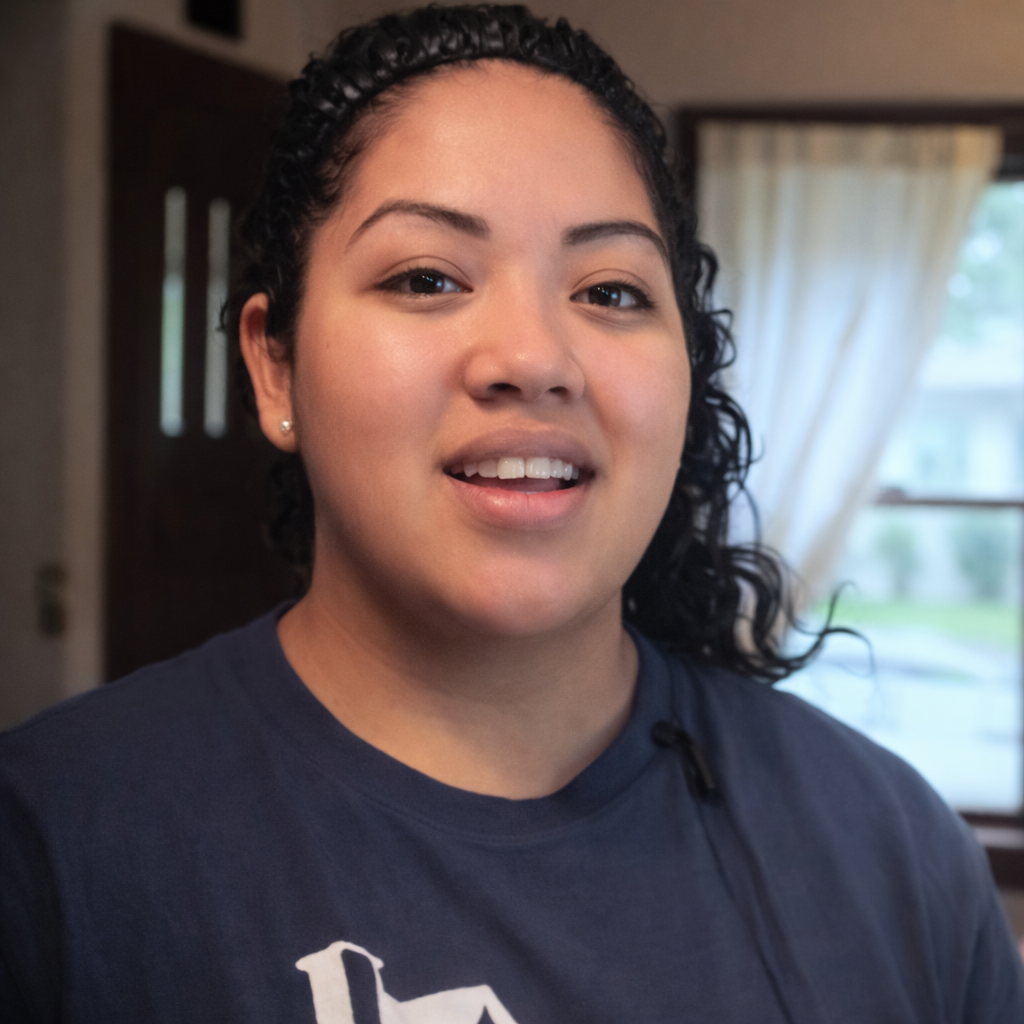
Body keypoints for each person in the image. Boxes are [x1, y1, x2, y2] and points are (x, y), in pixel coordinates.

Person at [2, 5, 1022, 1021]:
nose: (534, 358)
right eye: (426, 277)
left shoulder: (891, 852)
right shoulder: (56, 848)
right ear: (276, 365)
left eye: (611, 292)